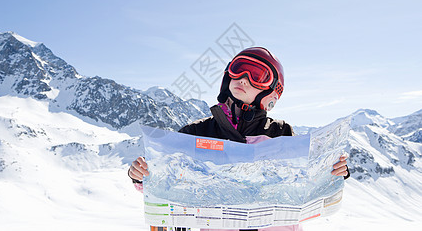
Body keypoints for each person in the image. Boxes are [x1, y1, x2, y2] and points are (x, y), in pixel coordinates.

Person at [128, 47, 349, 231]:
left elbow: (310, 180)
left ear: (272, 92)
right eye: (239, 70)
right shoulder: (197, 133)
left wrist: (335, 171)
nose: (244, 79)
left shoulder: (282, 133)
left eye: (257, 76)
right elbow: (166, 181)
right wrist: (141, 176)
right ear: (227, 76)